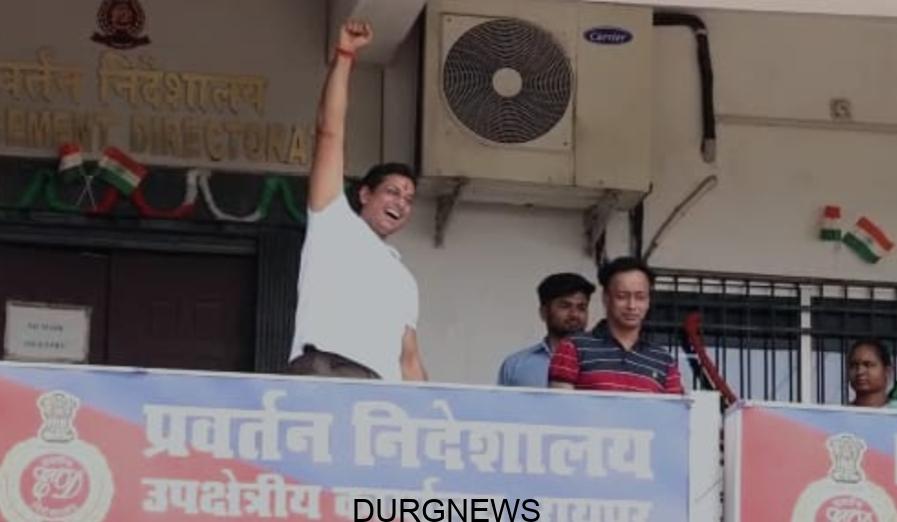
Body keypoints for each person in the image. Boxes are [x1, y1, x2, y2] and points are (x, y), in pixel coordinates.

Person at [287, 21, 427, 382]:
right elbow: (329, 132)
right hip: (326, 369)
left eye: (409, 198)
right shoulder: (334, 221)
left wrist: (429, 408)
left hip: (378, 390)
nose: (401, 203)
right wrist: (345, 56)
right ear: (365, 194)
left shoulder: (403, 278)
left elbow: (410, 360)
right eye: (392, 191)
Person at [548, 256, 683, 394]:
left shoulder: (664, 360)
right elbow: (560, 405)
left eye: (640, 297)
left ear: (648, 301)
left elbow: (675, 407)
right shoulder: (573, 347)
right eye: (622, 296)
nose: (632, 306)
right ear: (606, 298)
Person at [497, 273, 595, 387]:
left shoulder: (604, 362)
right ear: (544, 312)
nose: (574, 314)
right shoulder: (515, 366)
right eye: (565, 306)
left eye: (581, 308)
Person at [847, 339, 897, 408]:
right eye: (853, 365)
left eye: (868, 365)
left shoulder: (894, 411)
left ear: (887, 371)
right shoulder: (839, 413)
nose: (859, 371)